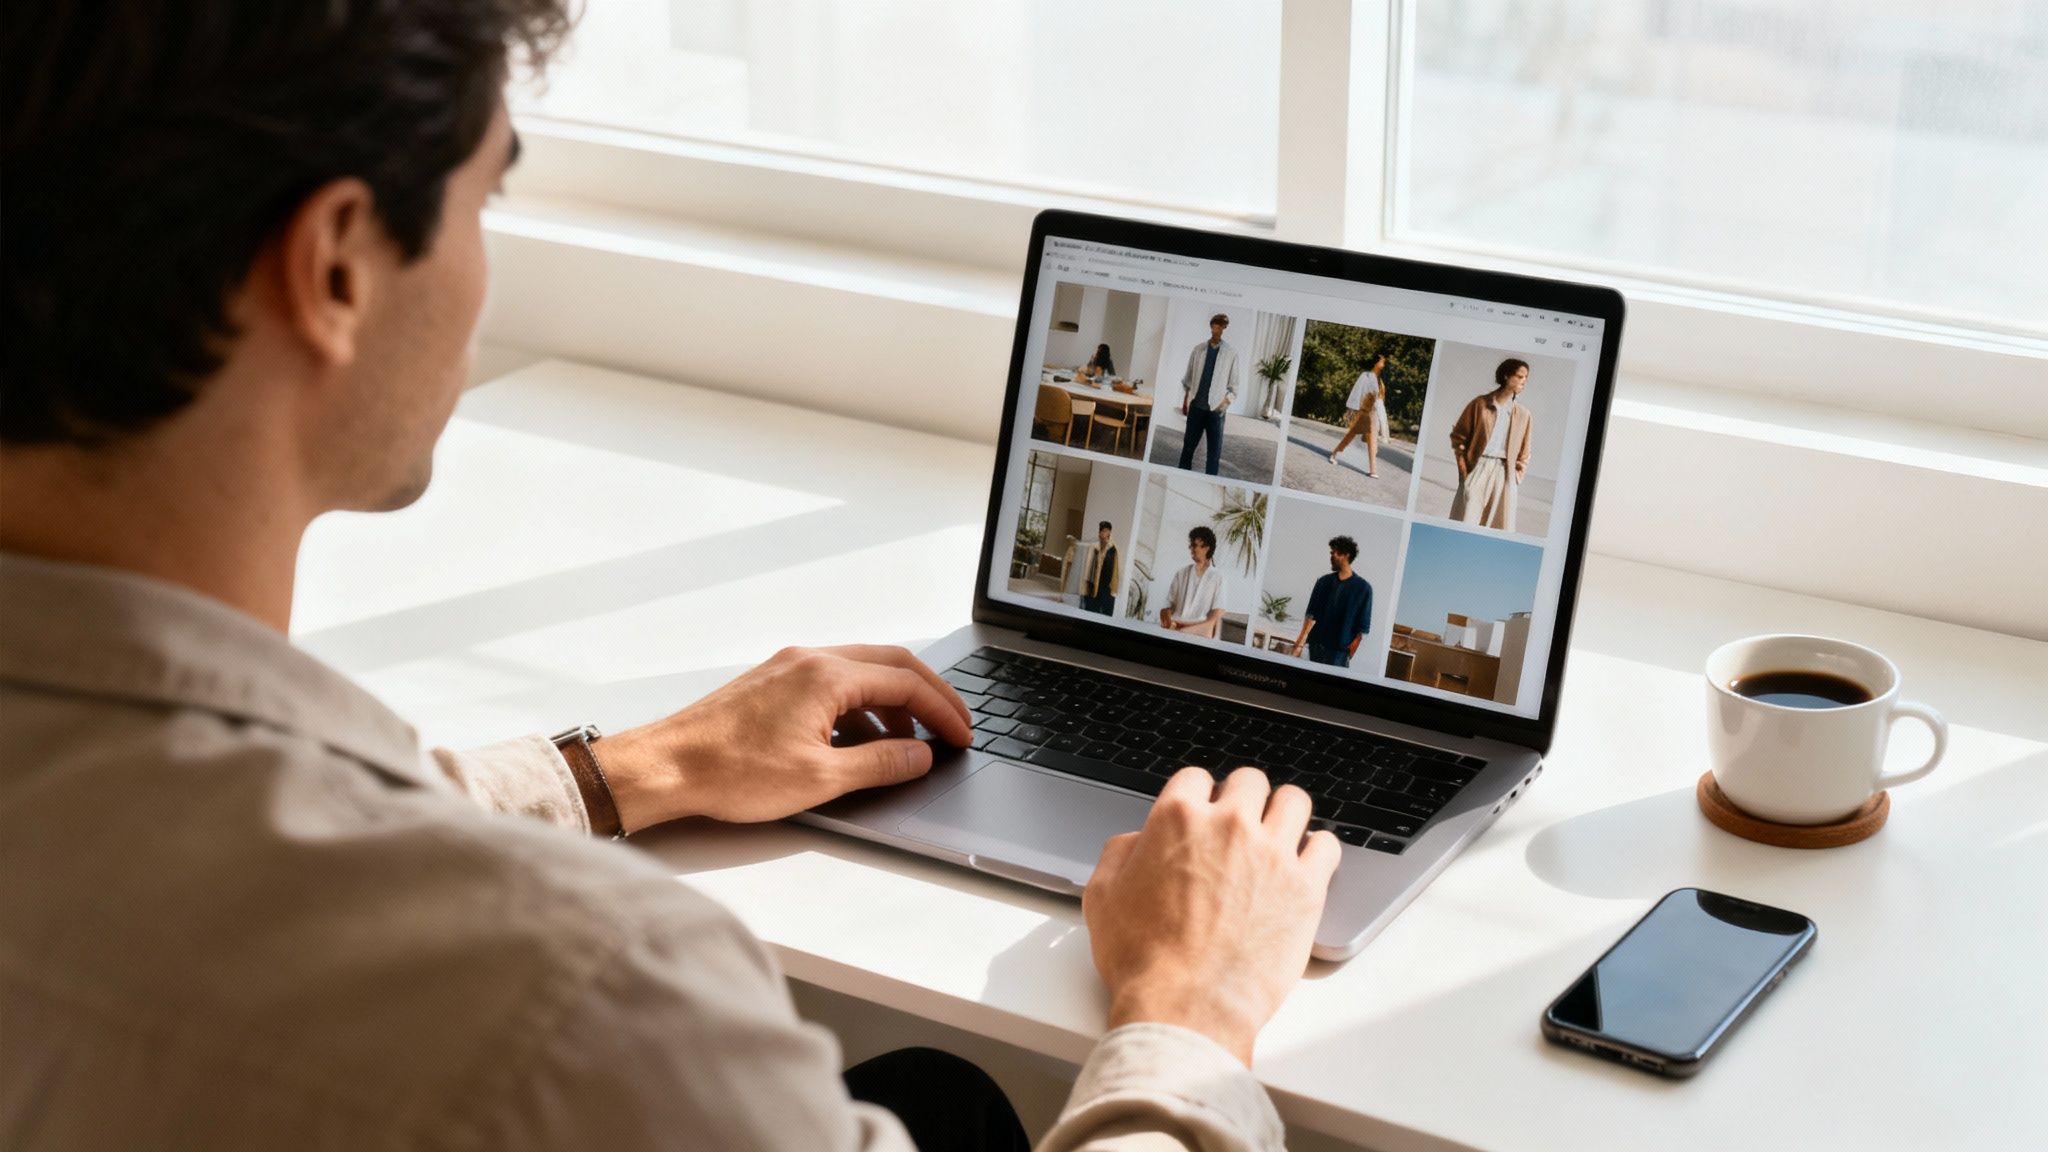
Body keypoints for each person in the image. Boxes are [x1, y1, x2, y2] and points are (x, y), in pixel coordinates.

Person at [0, 5, 1342, 1151]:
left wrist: (624, 769)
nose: (482, 269)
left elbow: (194, 835)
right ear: (336, 266)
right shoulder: (588, 1009)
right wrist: (1192, 1017)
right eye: (486, 198)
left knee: (934, 1096)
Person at [1448, 358, 1532, 532]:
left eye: (1526, 378)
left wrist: (1516, 477)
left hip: (1505, 473)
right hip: (1477, 468)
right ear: (1506, 376)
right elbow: (1458, 437)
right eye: (1520, 376)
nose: (1524, 381)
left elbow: (1525, 452)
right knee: (1465, 522)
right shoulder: (1480, 404)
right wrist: (1464, 471)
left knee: (1496, 529)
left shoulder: (1523, 415)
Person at [1288, 536, 1374, 668]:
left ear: (1345, 555)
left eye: (1334, 553)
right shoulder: (1323, 581)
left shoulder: (1363, 588)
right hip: (1315, 647)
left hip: (1339, 653)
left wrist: (1348, 654)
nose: (1331, 556)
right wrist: (1299, 644)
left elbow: (1362, 630)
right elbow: (1310, 616)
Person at [1176, 313, 1241, 476]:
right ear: (1211, 326)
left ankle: (1210, 482)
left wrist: (1223, 405)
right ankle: (1181, 477)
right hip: (1197, 407)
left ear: (1225, 328)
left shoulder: (1230, 353)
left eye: (1222, 326)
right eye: (1216, 325)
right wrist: (1185, 401)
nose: (1218, 328)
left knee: (1213, 455)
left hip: (1216, 412)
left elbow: (1234, 387)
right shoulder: (1198, 350)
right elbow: (1187, 379)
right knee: (1188, 448)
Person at [1158, 526, 1228, 639]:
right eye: (1191, 545)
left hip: (1199, 630)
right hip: (1175, 625)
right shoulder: (1181, 573)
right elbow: (1168, 605)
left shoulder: (1218, 577)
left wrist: (1203, 627)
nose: (1191, 548)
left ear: (1206, 548)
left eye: (1194, 545)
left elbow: (1219, 612)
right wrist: (1165, 613)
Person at [1329, 352, 1389, 478]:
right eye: (1382, 361)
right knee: (1351, 435)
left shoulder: (1380, 380)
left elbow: (1380, 398)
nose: (1383, 364)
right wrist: (1353, 409)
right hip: (1364, 412)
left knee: (1372, 440)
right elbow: (1357, 392)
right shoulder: (1365, 376)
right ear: (1376, 362)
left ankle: (1373, 470)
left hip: (1373, 413)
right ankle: (1334, 454)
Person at [1078, 520, 1119, 615]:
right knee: (1089, 611)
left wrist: (1112, 587)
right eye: (1102, 531)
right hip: (1092, 584)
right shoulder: (1094, 547)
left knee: (1103, 614)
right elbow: (1088, 567)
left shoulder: (1112, 549)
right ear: (1099, 532)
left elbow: (1114, 570)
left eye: (1106, 531)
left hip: (1105, 587)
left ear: (1109, 532)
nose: (1104, 533)